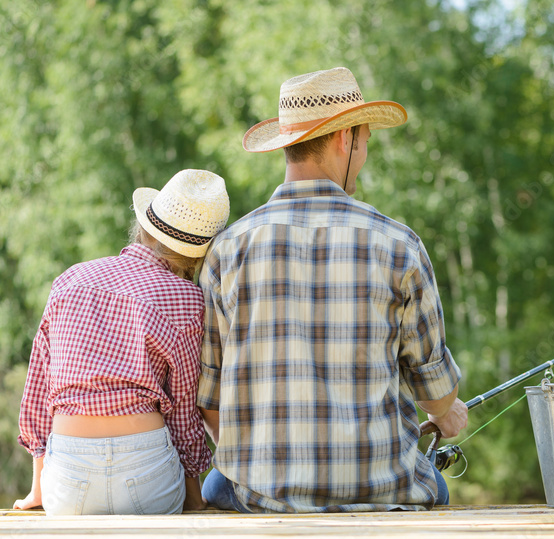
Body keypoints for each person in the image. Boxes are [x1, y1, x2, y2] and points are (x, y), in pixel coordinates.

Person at [198, 66, 467, 513]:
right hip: (385, 491)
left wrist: (267, 468)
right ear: (347, 139)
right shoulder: (399, 245)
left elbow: (210, 402)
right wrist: (445, 411)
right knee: (435, 483)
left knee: (215, 487)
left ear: (288, 145)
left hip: (264, 496)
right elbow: (436, 395)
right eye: (364, 141)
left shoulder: (228, 250)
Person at [15, 169, 230, 514]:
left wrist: (38, 489)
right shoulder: (189, 299)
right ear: (197, 255)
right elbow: (184, 410)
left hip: (67, 483)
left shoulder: (70, 280)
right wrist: (192, 494)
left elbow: (38, 391)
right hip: (148, 476)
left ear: (144, 227)